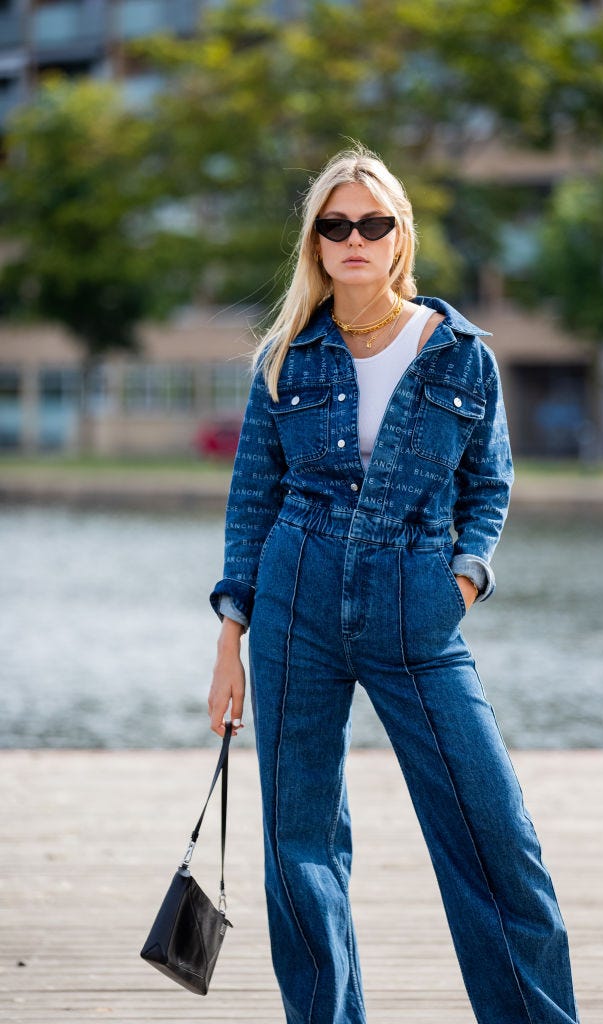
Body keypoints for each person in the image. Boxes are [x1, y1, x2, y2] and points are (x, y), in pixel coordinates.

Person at [207, 146, 579, 1024]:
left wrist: (461, 581)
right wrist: (230, 639)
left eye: (371, 222)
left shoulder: (456, 353)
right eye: (335, 225)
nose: (354, 238)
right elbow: (251, 500)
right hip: (294, 596)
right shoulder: (282, 357)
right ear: (315, 244)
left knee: (497, 838)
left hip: (416, 602)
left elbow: (488, 485)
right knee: (299, 847)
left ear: (398, 236)